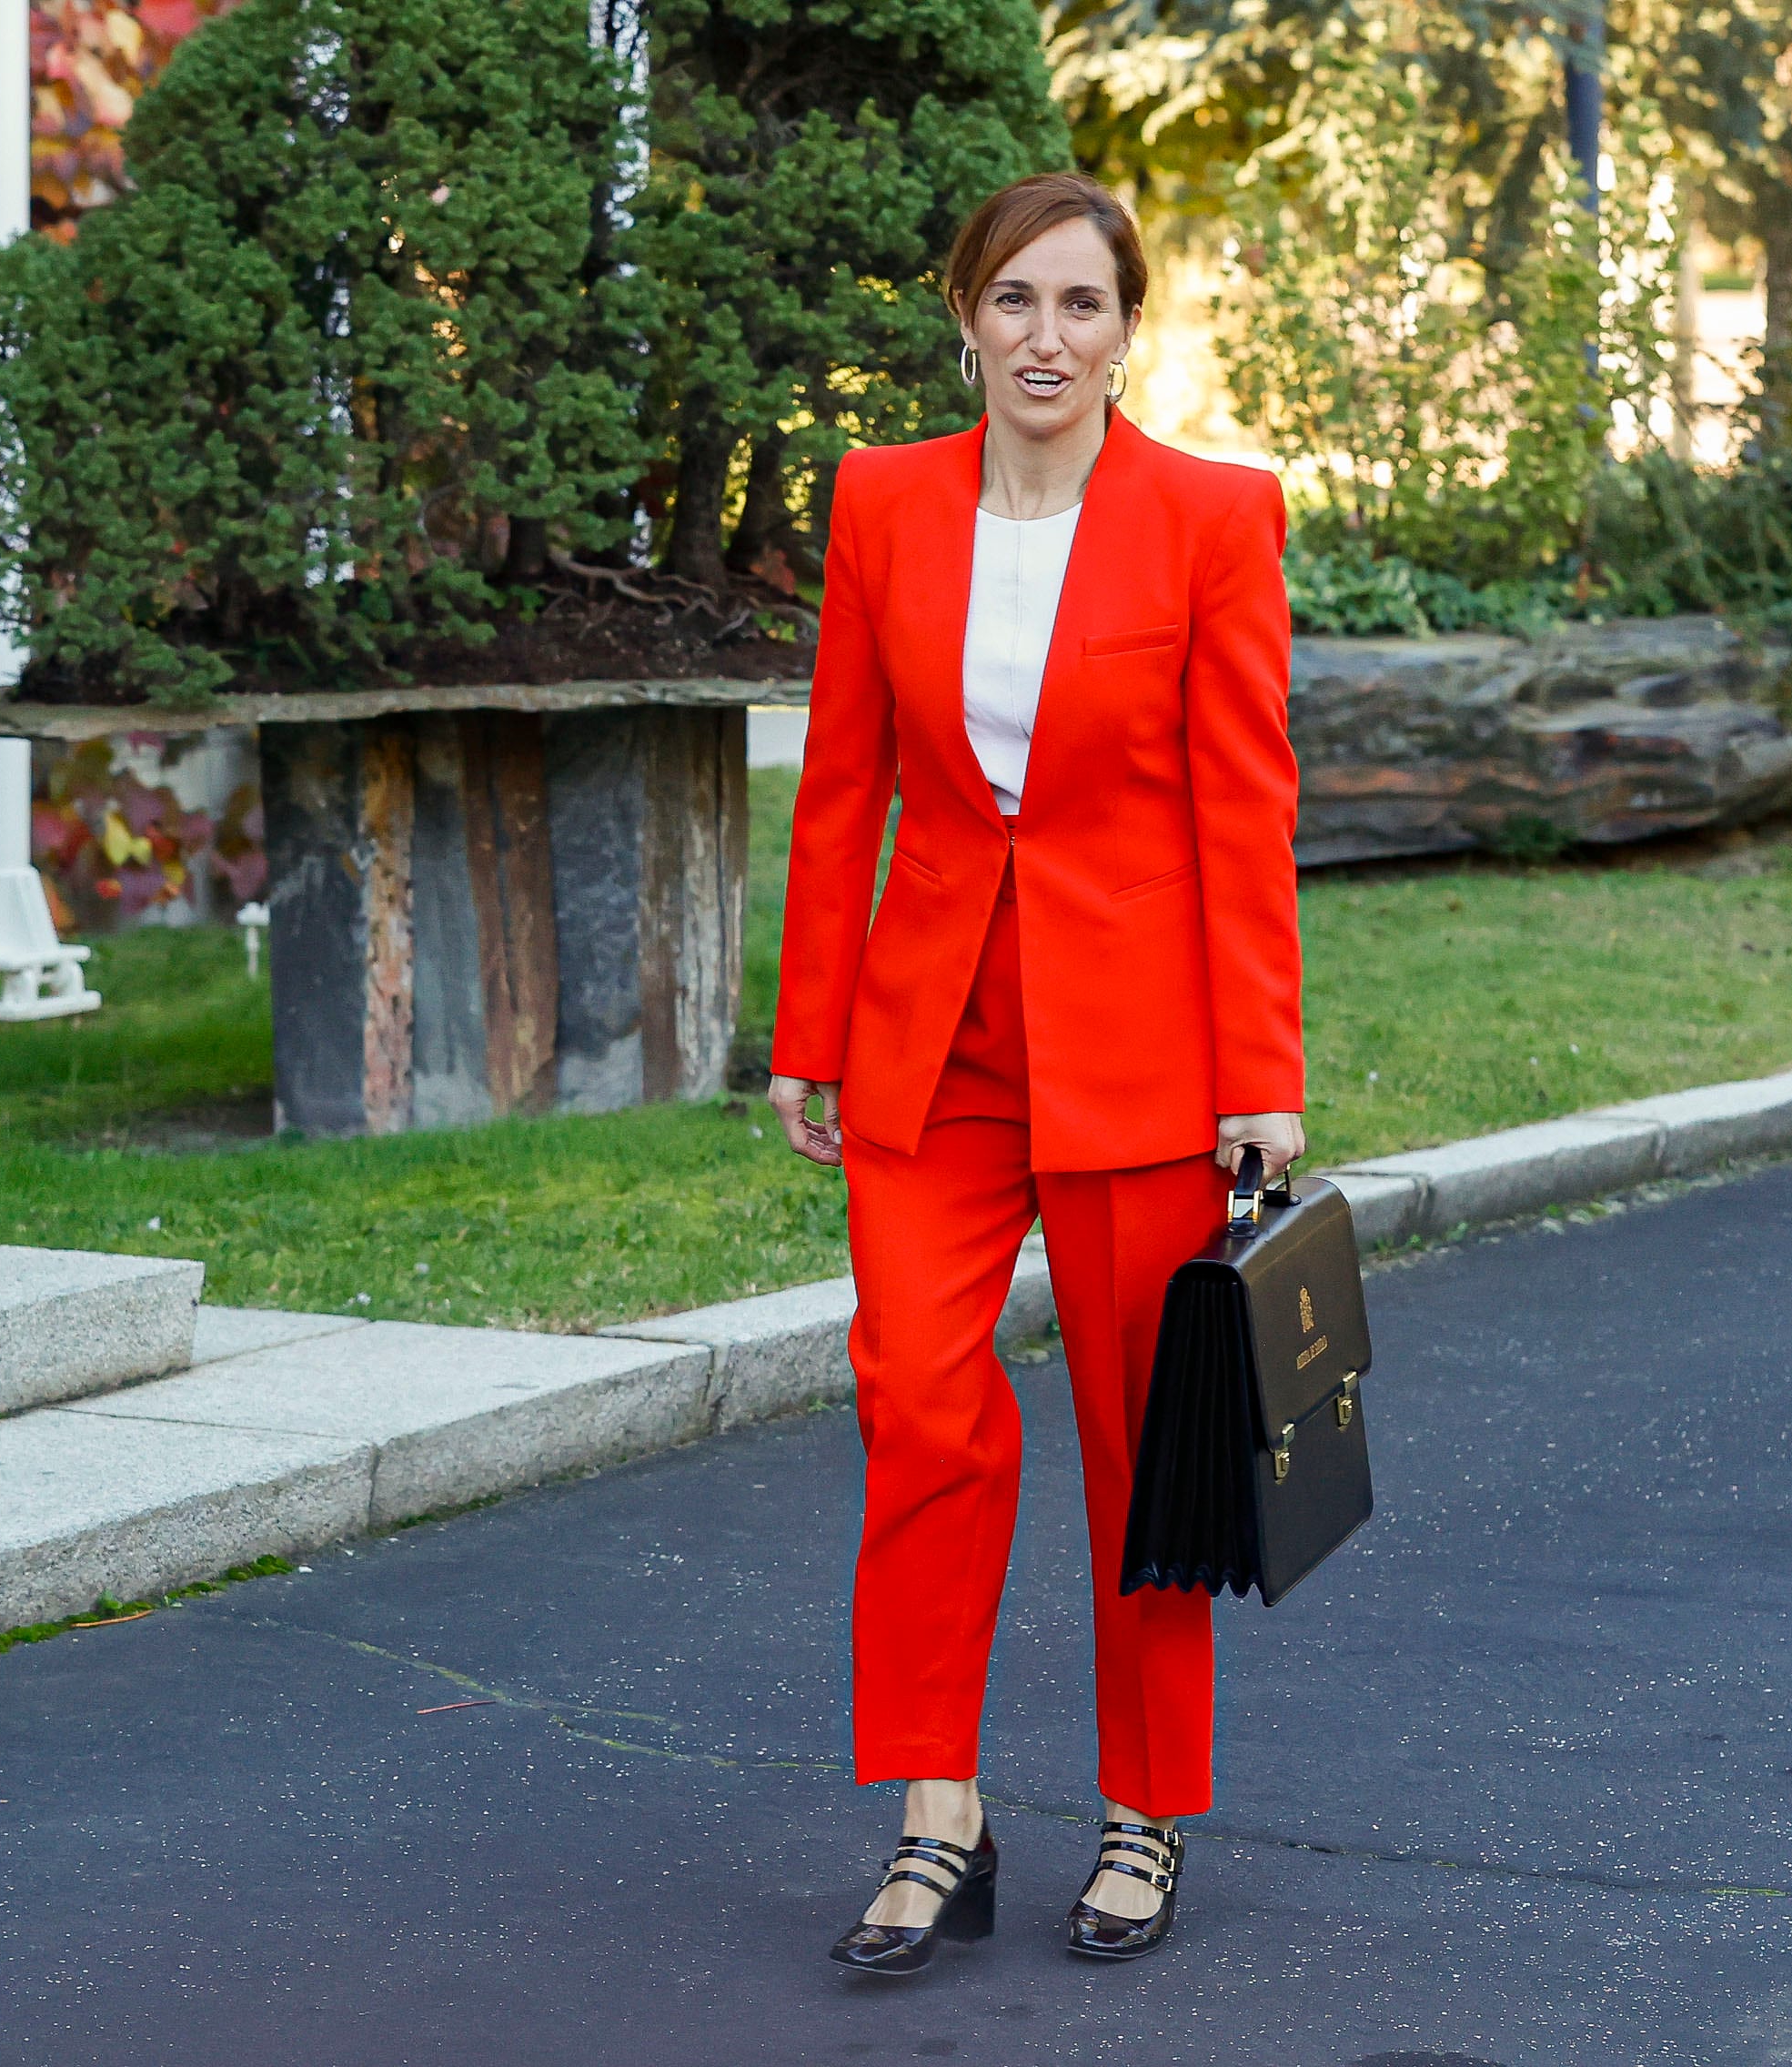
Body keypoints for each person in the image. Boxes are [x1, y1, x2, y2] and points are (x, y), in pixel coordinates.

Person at [766, 170, 1305, 1975]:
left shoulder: (1214, 518)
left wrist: (1262, 1072)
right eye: (1014, 301)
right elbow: (846, 781)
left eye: (1083, 304)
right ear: (963, 317)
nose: (1046, 338)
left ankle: (1145, 1805)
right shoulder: (884, 501)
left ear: (1129, 327)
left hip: (1141, 1049)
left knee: (1137, 1445)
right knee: (917, 1403)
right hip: (930, 1039)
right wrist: (811, 1027)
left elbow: (1246, 809)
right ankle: (942, 1811)